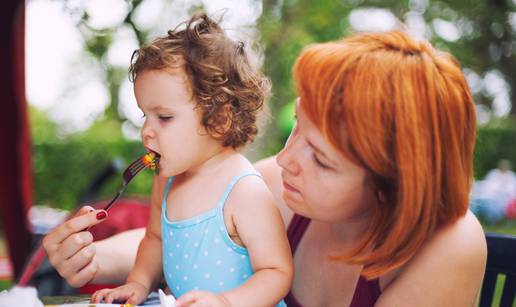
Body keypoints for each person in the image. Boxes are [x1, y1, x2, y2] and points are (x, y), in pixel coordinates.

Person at [43, 30, 487, 306]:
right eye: (298, 128)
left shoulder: (447, 244)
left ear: (393, 186)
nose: (286, 159)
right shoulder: (279, 180)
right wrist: (95, 259)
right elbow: (187, 231)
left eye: (322, 158)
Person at [46, 13, 293, 306]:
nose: (146, 132)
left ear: (220, 119)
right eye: (144, 115)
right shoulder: (167, 180)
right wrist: (138, 282)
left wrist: (225, 302)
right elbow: (155, 240)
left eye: (163, 117)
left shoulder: (244, 190)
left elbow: (276, 271)